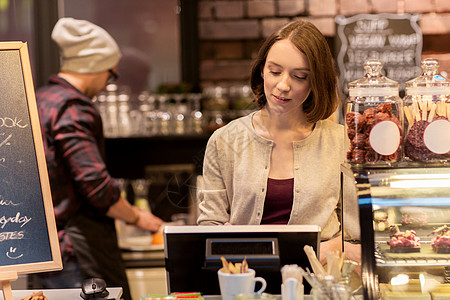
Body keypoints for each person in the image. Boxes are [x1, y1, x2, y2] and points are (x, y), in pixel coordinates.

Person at [197, 20, 361, 268]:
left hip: (319, 281)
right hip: (245, 283)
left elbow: (357, 234)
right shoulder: (224, 141)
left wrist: (334, 247)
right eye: (275, 71)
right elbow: (209, 226)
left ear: (315, 82)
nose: (283, 85)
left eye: (299, 76)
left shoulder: (340, 141)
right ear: (261, 70)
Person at [32, 17, 164, 300]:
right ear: (94, 66)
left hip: (46, 249)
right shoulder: (74, 108)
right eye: (111, 75)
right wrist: (138, 216)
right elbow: (96, 187)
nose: (107, 85)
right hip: (77, 255)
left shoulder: (41, 99)